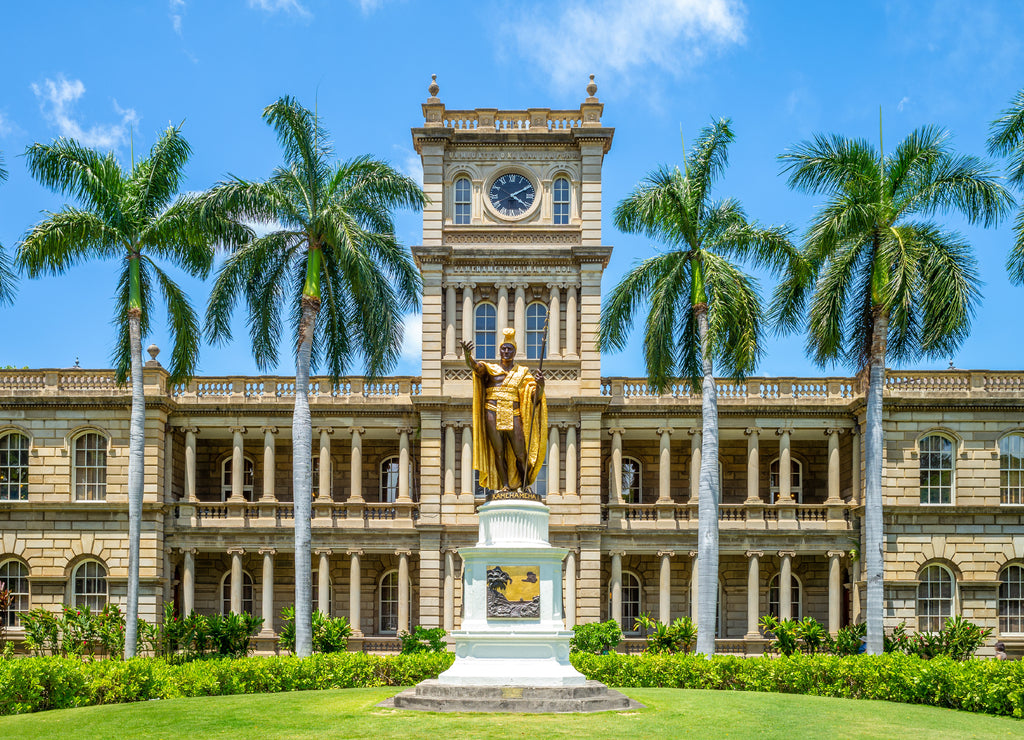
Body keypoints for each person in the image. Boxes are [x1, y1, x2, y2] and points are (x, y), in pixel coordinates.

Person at [462, 328, 547, 499]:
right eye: (504, 348)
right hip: (492, 411)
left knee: (520, 453)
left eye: (510, 349)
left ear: (515, 352)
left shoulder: (523, 373)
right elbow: (476, 367)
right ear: (499, 350)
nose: (506, 352)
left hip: (514, 412)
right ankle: (505, 486)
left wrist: (541, 386)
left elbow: (533, 398)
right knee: (498, 452)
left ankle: (524, 485)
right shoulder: (491, 369)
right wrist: (467, 355)